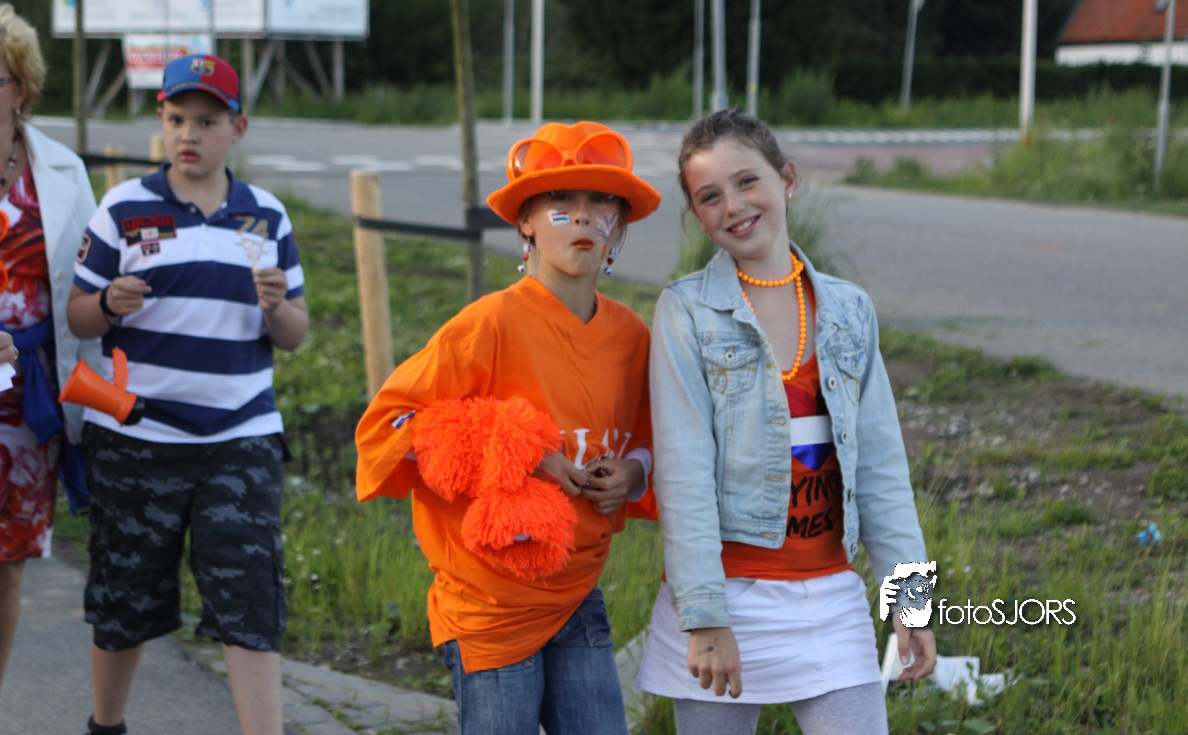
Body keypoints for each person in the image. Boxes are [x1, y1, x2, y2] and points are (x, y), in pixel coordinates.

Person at [635, 109, 936, 735]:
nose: (734, 205)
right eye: (710, 196)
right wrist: (704, 619)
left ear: (787, 180)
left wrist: (911, 603)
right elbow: (684, 475)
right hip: (725, 598)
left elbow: (883, 469)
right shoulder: (686, 312)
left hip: (830, 598)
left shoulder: (850, 309)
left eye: (747, 181)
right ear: (697, 215)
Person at [355, 121, 661, 735]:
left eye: (602, 201)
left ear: (620, 225)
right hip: (488, 604)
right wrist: (520, 453)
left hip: (578, 594)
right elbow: (388, 429)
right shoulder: (487, 325)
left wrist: (634, 472)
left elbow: (654, 438)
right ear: (525, 222)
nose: (583, 217)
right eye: (560, 201)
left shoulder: (632, 337)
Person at [67, 53, 308, 735]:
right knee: (125, 597)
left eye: (207, 121)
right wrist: (108, 302)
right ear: (161, 121)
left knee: (249, 598)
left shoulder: (266, 216)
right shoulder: (124, 207)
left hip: (241, 436)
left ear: (238, 128)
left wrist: (275, 308)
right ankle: (107, 725)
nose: (189, 135)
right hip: (138, 436)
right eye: (177, 119)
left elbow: (295, 332)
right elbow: (78, 316)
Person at [0, 2, 100, 695]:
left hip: (26, 406)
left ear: (22, 88)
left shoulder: (61, 171)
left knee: (7, 566)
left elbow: (86, 282)